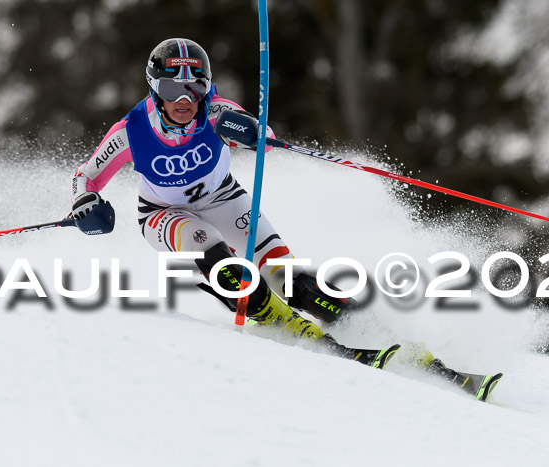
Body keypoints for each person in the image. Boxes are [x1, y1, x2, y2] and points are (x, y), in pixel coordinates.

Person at [68, 38, 501, 399]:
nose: (185, 100)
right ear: (153, 86)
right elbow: (86, 176)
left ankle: (378, 331)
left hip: (223, 197)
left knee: (286, 275)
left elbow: (259, 132)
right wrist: (84, 204)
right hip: (163, 213)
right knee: (208, 247)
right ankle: (285, 324)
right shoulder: (131, 131)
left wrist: (258, 136)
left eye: (195, 87)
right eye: (171, 87)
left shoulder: (216, 111)